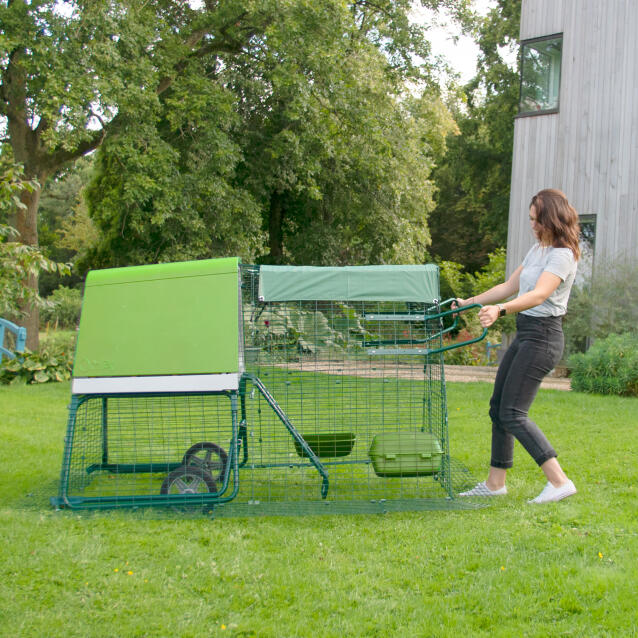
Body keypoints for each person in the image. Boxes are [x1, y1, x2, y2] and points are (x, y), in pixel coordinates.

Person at [456, 188, 580, 504]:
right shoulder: (536, 251)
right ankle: (495, 484)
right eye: (530, 219)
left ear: (551, 218)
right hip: (527, 333)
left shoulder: (562, 255)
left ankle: (559, 481)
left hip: (544, 337)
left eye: (536, 220)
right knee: (499, 408)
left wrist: (501, 310)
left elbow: (538, 295)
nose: (532, 225)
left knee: (513, 412)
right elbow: (509, 286)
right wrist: (467, 303)